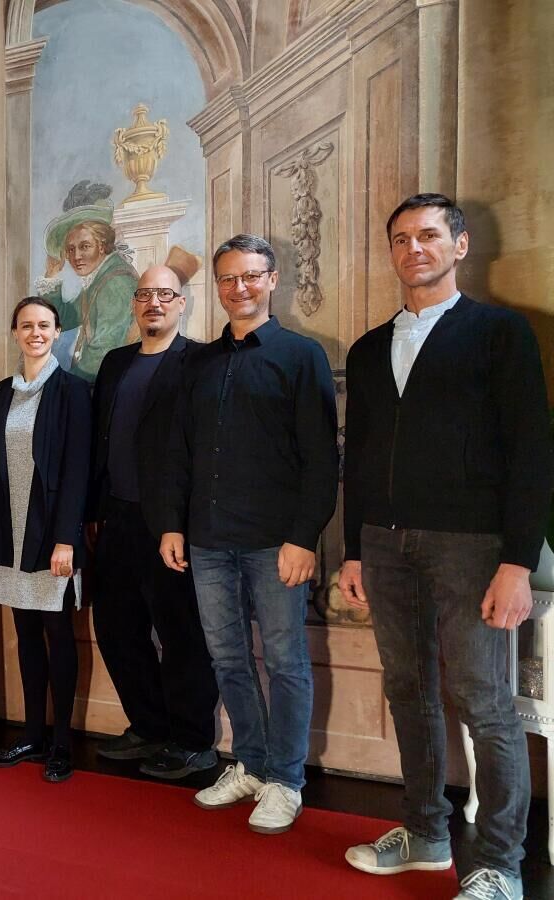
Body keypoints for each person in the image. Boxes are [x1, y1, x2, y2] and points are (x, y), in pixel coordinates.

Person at [340, 194, 552, 900]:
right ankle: (425, 834)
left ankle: (499, 863)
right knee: (407, 690)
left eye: (429, 235)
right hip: (384, 544)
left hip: (471, 546)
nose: (414, 249)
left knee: (483, 701)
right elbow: (359, 457)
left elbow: (531, 451)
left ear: (459, 245)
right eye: (401, 238)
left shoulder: (500, 333)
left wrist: (517, 560)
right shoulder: (369, 349)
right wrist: (353, 549)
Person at [160, 233, 337, 835]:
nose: (240, 288)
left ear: (272, 279)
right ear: (217, 286)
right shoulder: (198, 363)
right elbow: (180, 453)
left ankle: (286, 779)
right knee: (228, 658)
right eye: (229, 279)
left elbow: (321, 458)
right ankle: (252, 765)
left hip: (274, 541)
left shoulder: (301, 355)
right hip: (208, 538)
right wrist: (172, 525)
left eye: (251, 276)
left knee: (285, 662)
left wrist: (304, 537)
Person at [89, 265, 219, 777]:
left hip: (171, 524)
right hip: (116, 518)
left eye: (165, 294)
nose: (154, 303)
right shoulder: (115, 363)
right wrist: (94, 513)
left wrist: (182, 522)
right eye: (145, 294)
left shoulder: (200, 361)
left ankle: (193, 741)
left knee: (182, 634)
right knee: (116, 629)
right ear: (134, 303)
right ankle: (148, 727)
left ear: (182, 303)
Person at [0, 297, 91, 782]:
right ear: (15, 332)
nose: (35, 333)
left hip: (51, 536)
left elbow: (77, 471)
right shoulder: (3, 392)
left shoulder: (73, 392)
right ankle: (32, 735)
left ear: (58, 332)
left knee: (57, 634)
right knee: (24, 634)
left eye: (44, 325)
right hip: (11, 530)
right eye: (26, 325)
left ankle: (62, 742)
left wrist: (67, 539)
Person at [34, 183, 139, 382]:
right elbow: (63, 320)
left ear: (102, 246)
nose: (76, 257)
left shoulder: (115, 283)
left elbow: (102, 353)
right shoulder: (99, 280)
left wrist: (66, 385)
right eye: (70, 249)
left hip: (117, 383)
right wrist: (51, 276)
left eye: (85, 246)